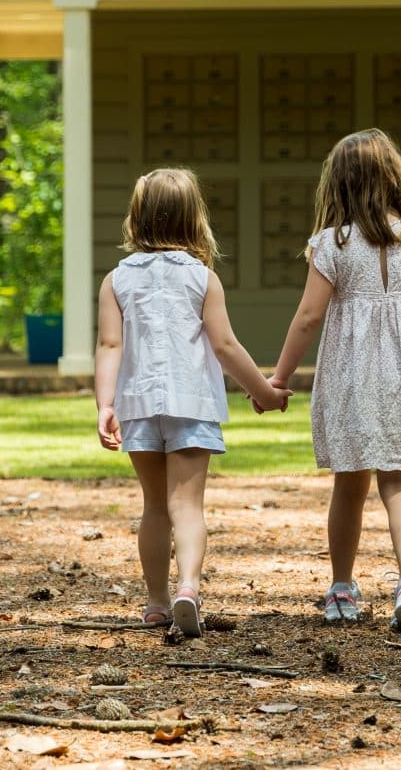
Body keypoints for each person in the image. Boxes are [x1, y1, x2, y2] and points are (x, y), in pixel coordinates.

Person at [270, 129, 401, 632]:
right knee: (399, 481)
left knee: (349, 485)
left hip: (351, 377)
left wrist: (279, 376)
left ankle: (340, 587)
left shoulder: (333, 244)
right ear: (394, 177)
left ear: (340, 185)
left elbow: (308, 316)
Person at [94, 168, 289, 637]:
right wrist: (263, 392)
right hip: (191, 403)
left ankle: (157, 602)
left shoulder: (117, 280)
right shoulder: (203, 279)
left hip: (138, 405)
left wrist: (105, 404)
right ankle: (188, 588)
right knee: (187, 507)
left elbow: (109, 346)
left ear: (136, 219)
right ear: (193, 219)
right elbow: (224, 346)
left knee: (154, 507)